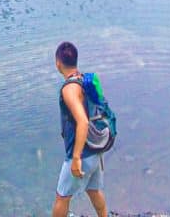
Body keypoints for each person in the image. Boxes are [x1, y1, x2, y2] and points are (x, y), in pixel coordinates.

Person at [52, 41, 107, 217]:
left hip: (81, 154)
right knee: (94, 190)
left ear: (58, 62)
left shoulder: (69, 89)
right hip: (95, 148)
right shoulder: (84, 80)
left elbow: (82, 121)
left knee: (62, 198)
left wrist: (76, 158)